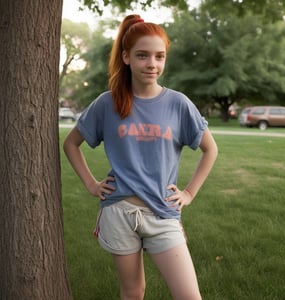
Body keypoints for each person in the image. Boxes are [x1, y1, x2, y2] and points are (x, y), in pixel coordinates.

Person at [63, 14, 218, 300]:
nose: (152, 64)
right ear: (126, 57)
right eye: (143, 56)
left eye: (159, 56)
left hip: (163, 214)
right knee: (133, 292)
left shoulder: (178, 104)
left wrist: (189, 192)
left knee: (189, 296)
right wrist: (91, 184)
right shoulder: (107, 103)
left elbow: (211, 149)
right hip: (119, 212)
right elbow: (71, 143)